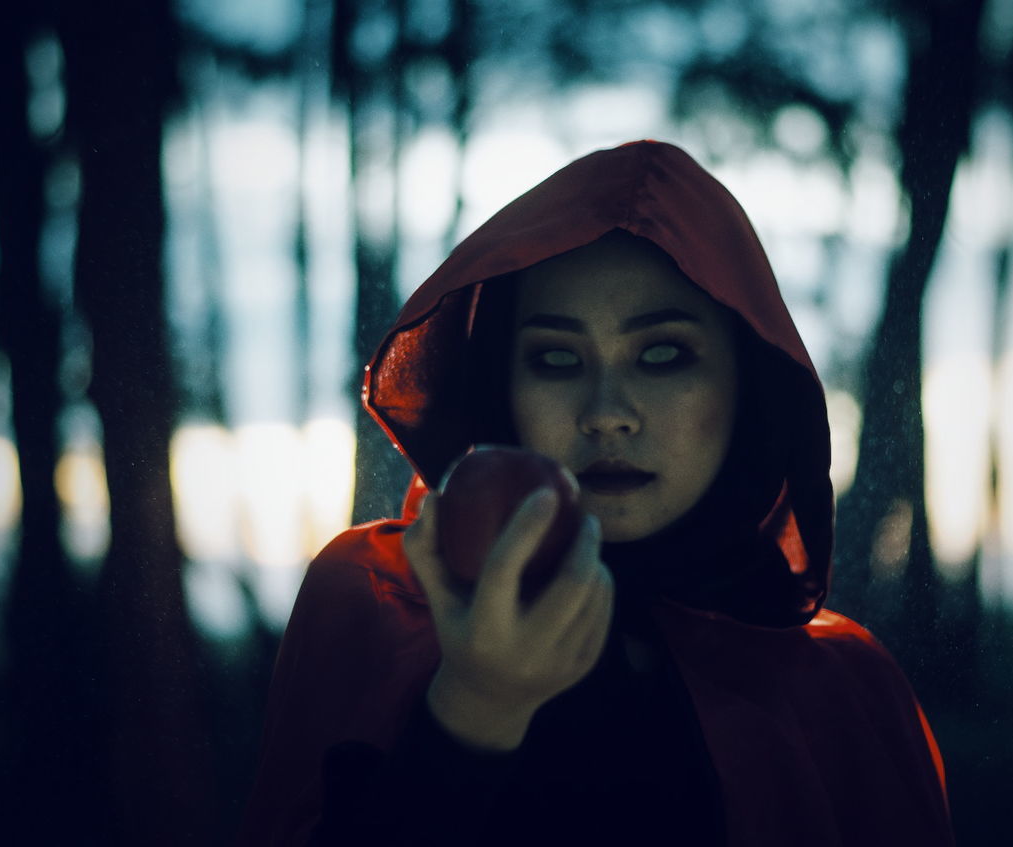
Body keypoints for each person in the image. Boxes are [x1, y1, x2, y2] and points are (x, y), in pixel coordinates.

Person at [237, 140, 954, 846]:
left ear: (750, 383)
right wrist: (471, 711)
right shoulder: (370, 600)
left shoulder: (845, 689)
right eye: (555, 358)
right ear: (498, 383)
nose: (607, 409)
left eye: (664, 354)